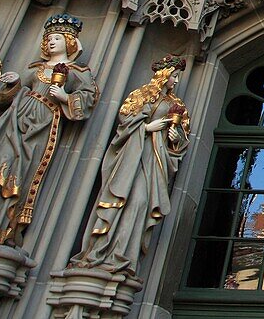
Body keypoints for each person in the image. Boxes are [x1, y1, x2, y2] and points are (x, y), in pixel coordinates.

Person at [0, 14, 99, 245]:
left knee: (20, 172)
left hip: (43, 125)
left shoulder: (77, 71)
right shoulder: (36, 68)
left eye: (57, 37)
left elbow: (88, 98)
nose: (51, 42)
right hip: (15, 122)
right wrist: (14, 83)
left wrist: (65, 97)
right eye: (49, 38)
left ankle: (3, 228)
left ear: (69, 41)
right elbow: (4, 100)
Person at [71, 55, 189, 275]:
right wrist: (146, 128)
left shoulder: (176, 104)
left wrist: (175, 136)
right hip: (132, 157)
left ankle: (124, 256)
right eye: (174, 76)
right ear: (163, 75)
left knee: (141, 202)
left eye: (177, 77)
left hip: (154, 160)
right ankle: (103, 253)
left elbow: (180, 143)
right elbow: (124, 127)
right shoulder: (142, 96)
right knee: (122, 200)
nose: (176, 81)